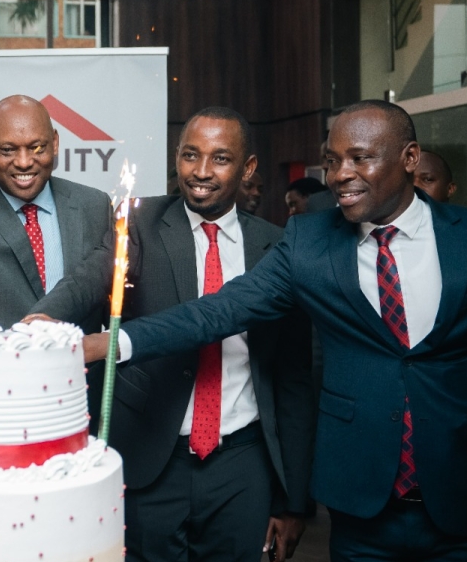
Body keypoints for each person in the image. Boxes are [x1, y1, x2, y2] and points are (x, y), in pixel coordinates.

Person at [87, 100, 467, 561]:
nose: (340, 175)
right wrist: (111, 343)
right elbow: (218, 311)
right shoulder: (307, 242)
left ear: (409, 159)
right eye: (332, 161)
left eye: (360, 158)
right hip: (363, 511)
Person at [28, 108, 313, 562]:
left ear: (248, 168)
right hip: (151, 454)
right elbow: (88, 279)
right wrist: (41, 321)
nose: (201, 172)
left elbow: (294, 378)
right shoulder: (139, 223)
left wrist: (294, 501)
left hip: (242, 464)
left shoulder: (279, 247)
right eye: (189, 156)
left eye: (220, 159)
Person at [0, 94, 113, 328]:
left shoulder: (94, 206)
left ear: (55, 143)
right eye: (8, 150)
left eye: (37, 147)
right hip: (0, 362)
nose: (24, 162)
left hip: (82, 362)